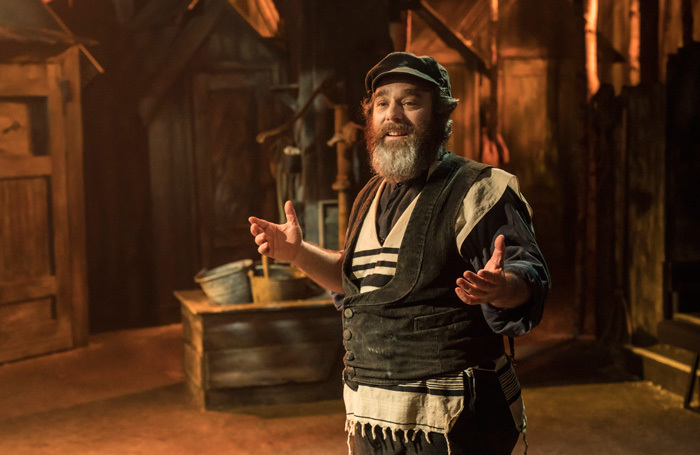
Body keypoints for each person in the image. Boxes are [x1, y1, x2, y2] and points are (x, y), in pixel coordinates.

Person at [249, 52, 550, 455]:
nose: (393, 115)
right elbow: (358, 283)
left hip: (450, 424)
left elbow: (526, 277)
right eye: (382, 104)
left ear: (441, 115)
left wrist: (500, 288)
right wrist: (298, 253)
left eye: (410, 102)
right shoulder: (369, 195)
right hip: (370, 420)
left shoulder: (479, 189)